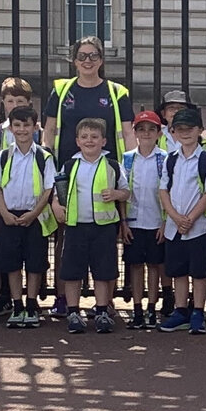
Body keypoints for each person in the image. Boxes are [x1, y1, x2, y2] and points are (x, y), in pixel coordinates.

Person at [54, 115, 125, 334]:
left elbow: (126, 192)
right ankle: (73, 311)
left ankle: (102, 310)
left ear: (104, 141)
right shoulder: (69, 165)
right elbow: (57, 190)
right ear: (77, 141)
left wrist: (115, 194)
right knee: (73, 271)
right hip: (76, 227)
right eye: (84, 137)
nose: (89, 140)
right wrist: (56, 206)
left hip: (103, 228)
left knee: (103, 272)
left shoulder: (112, 165)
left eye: (94, 137)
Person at [0, 105, 56, 327]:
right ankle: (17, 305)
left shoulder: (44, 157)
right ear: (10, 128)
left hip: (35, 217)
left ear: (35, 127)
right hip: (10, 216)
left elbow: (48, 189)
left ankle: (31, 303)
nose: (21, 130)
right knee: (12, 263)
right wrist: (4, 214)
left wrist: (34, 213)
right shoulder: (3, 156)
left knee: (35, 263)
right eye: (17, 125)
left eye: (26, 125)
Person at [156, 107, 206, 332]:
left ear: (200, 130)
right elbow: (163, 191)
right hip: (174, 227)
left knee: (199, 272)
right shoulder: (170, 160)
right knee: (178, 271)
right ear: (173, 132)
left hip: (199, 226)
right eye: (180, 129)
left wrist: (189, 218)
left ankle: (197, 311)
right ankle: (181, 311)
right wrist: (175, 217)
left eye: (190, 128)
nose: (185, 133)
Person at [45, 37, 133, 175]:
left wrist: (131, 167)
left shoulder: (117, 92)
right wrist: (47, 162)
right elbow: (49, 130)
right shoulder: (61, 90)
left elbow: (128, 133)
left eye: (93, 56)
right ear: (75, 61)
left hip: (107, 169)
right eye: (82, 56)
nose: (87, 61)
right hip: (66, 168)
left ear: (101, 60)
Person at [119, 109, 169, 328]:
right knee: (136, 266)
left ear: (159, 133)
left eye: (151, 129)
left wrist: (165, 221)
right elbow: (122, 191)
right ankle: (137, 309)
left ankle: (151, 308)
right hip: (133, 221)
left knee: (155, 266)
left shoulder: (165, 159)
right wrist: (123, 222)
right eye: (141, 129)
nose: (146, 133)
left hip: (156, 221)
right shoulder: (128, 159)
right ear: (135, 132)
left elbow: (168, 192)